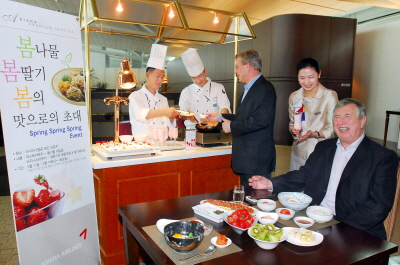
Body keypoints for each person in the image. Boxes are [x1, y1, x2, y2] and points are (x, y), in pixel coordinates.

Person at [249, 98, 398, 240]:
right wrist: (269, 183)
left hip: (354, 230)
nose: (341, 122)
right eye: (337, 117)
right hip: (313, 220)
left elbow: (378, 206)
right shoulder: (324, 147)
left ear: (362, 121)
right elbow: (303, 175)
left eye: (347, 116)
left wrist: (341, 228)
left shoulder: (382, 157)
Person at [204, 50, 276, 187]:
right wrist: (220, 117)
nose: (235, 72)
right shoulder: (250, 88)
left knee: (257, 200)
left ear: (247, 66)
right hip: (247, 159)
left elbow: (260, 120)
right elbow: (243, 117)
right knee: (248, 201)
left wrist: (231, 126)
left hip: (256, 161)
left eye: (237, 67)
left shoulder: (265, 89)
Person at [289, 57, 338, 170]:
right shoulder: (294, 96)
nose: (306, 82)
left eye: (311, 77)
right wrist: (293, 129)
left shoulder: (329, 96)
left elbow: (333, 128)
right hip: (298, 153)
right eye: (302, 78)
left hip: (321, 152)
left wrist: (315, 134)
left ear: (319, 74)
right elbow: (292, 122)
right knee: (295, 186)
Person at [129, 44, 179, 135]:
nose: (160, 80)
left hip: (162, 144)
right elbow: (141, 114)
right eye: (157, 76)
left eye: (162, 77)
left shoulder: (163, 99)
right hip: (143, 145)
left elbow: (168, 123)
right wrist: (165, 111)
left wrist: (171, 116)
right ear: (148, 75)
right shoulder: (135, 96)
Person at [179, 48, 231, 123]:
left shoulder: (218, 88)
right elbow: (183, 111)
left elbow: (224, 107)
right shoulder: (186, 91)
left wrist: (218, 117)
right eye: (194, 78)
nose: (198, 81)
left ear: (205, 71)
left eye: (200, 76)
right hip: (192, 128)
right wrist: (188, 117)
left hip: (213, 127)